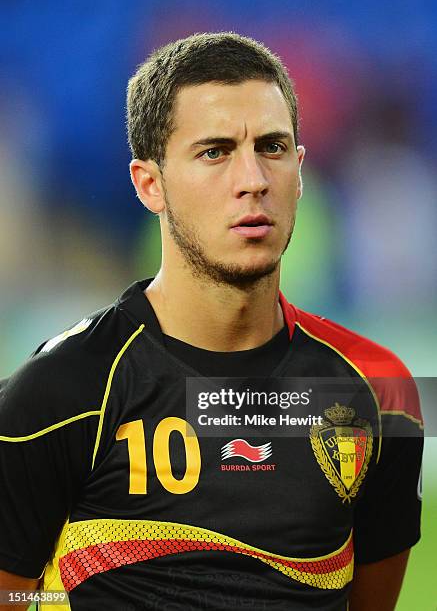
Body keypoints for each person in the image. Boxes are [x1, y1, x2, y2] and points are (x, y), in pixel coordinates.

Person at [0, 32, 423, 611]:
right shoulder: (59, 396)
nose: (252, 180)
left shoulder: (379, 392)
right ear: (150, 185)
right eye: (214, 152)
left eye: (272, 148)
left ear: (300, 171)